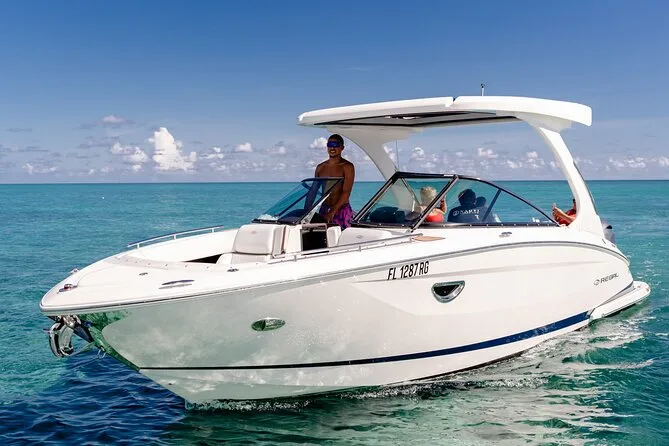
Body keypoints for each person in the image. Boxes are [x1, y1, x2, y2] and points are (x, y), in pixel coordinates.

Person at [315, 134, 355, 228]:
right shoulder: (320, 167)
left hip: (341, 210)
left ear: (342, 148)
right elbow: (313, 191)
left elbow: (346, 193)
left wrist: (332, 212)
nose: (332, 148)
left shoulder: (347, 167)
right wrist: (305, 211)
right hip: (324, 210)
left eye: (335, 145)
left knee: (342, 236)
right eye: (330, 145)